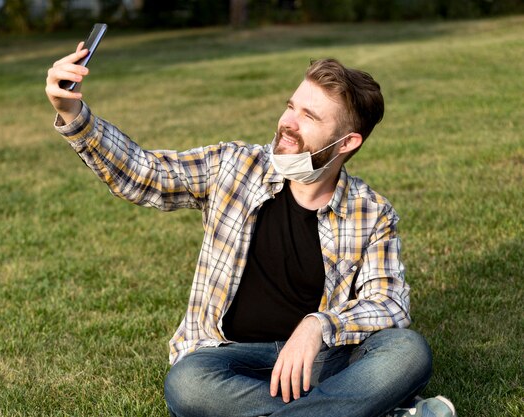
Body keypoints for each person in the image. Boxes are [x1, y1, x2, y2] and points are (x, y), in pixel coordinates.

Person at [45, 42, 456, 417]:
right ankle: (361, 410)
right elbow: (145, 174)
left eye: (309, 116)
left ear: (346, 143)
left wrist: (317, 326)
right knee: (188, 384)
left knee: (406, 350)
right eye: (291, 106)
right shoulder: (234, 166)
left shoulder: (372, 213)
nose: (287, 123)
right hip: (231, 360)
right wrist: (73, 115)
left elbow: (389, 303)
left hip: (322, 361)